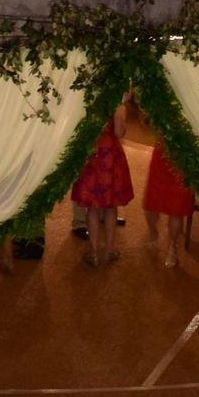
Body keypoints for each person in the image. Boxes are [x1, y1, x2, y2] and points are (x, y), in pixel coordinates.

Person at [69, 90, 135, 266]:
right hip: (110, 155)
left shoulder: (88, 101)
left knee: (92, 208)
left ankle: (94, 252)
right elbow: (119, 132)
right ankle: (110, 250)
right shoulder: (117, 105)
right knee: (110, 206)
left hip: (91, 153)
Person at [142, 131, 196, 268]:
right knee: (153, 201)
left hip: (185, 157)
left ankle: (172, 248)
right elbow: (148, 124)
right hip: (163, 153)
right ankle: (153, 232)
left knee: (176, 208)